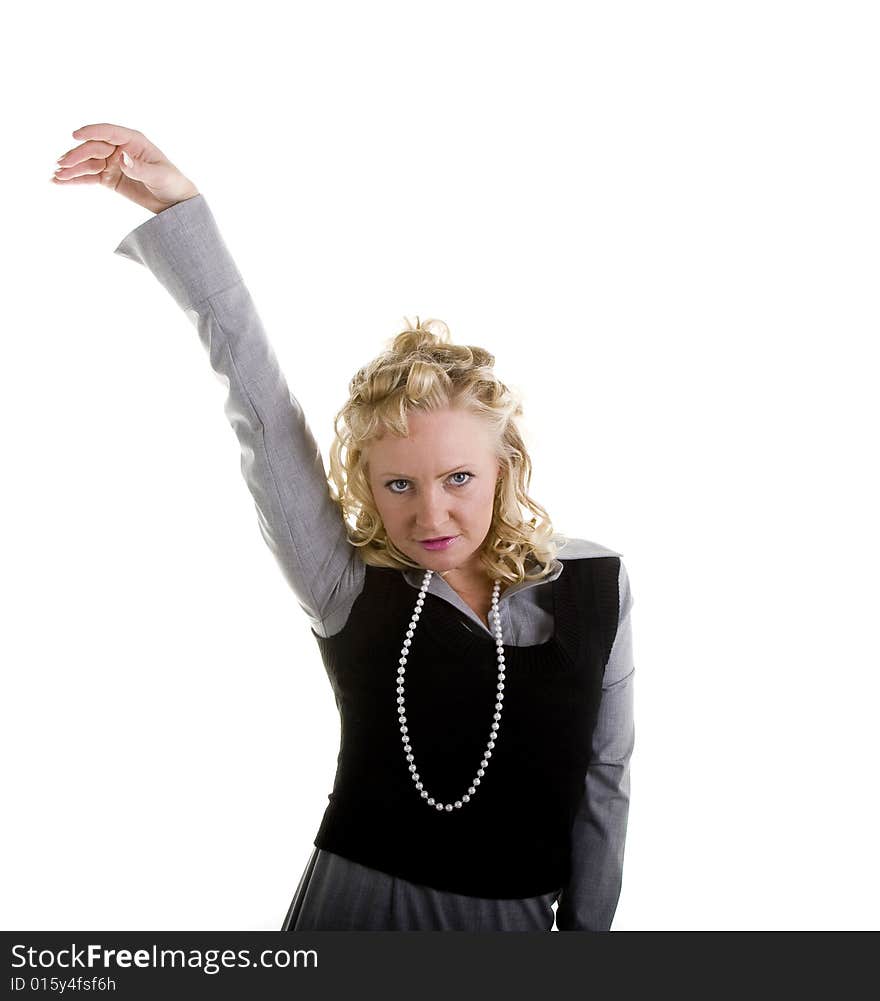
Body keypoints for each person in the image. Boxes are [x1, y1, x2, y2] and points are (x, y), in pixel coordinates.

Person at [51, 123, 636, 932]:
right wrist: (184, 210)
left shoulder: (596, 579)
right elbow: (259, 402)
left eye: (458, 477)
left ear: (506, 464)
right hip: (353, 914)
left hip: (513, 925)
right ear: (363, 481)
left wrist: (589, 939)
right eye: (398, 483)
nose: (430, 514)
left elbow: (606, 773)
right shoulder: (344, 579)